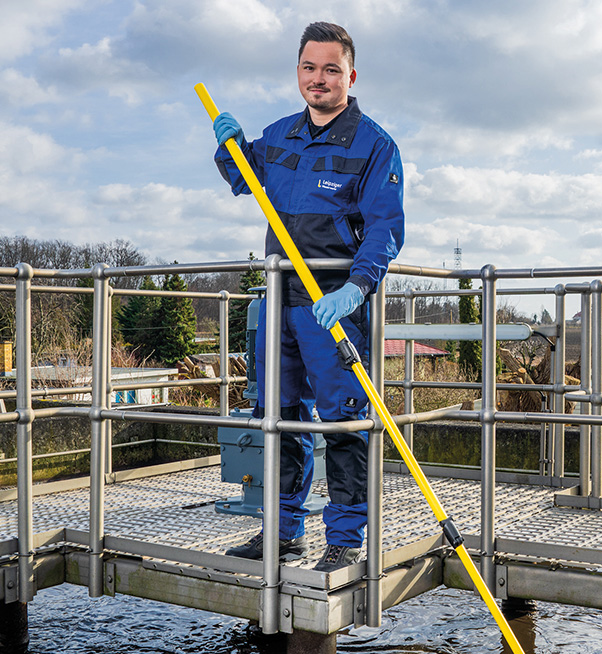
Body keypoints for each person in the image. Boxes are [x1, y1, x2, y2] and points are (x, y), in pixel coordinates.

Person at [211, 22, 405, 572]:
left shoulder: (374, 144)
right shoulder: (279, 136)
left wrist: (356, 288)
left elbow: (385, 228)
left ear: (350, 74)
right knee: (279, 414)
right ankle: (282, 531)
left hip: (332, 305)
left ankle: (344, 539)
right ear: (298, 71)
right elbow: (242, 175)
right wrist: (227, 145)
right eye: (308, 68)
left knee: (342, 421)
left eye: (330, 69)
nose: (318, 79)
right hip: (279, 302)